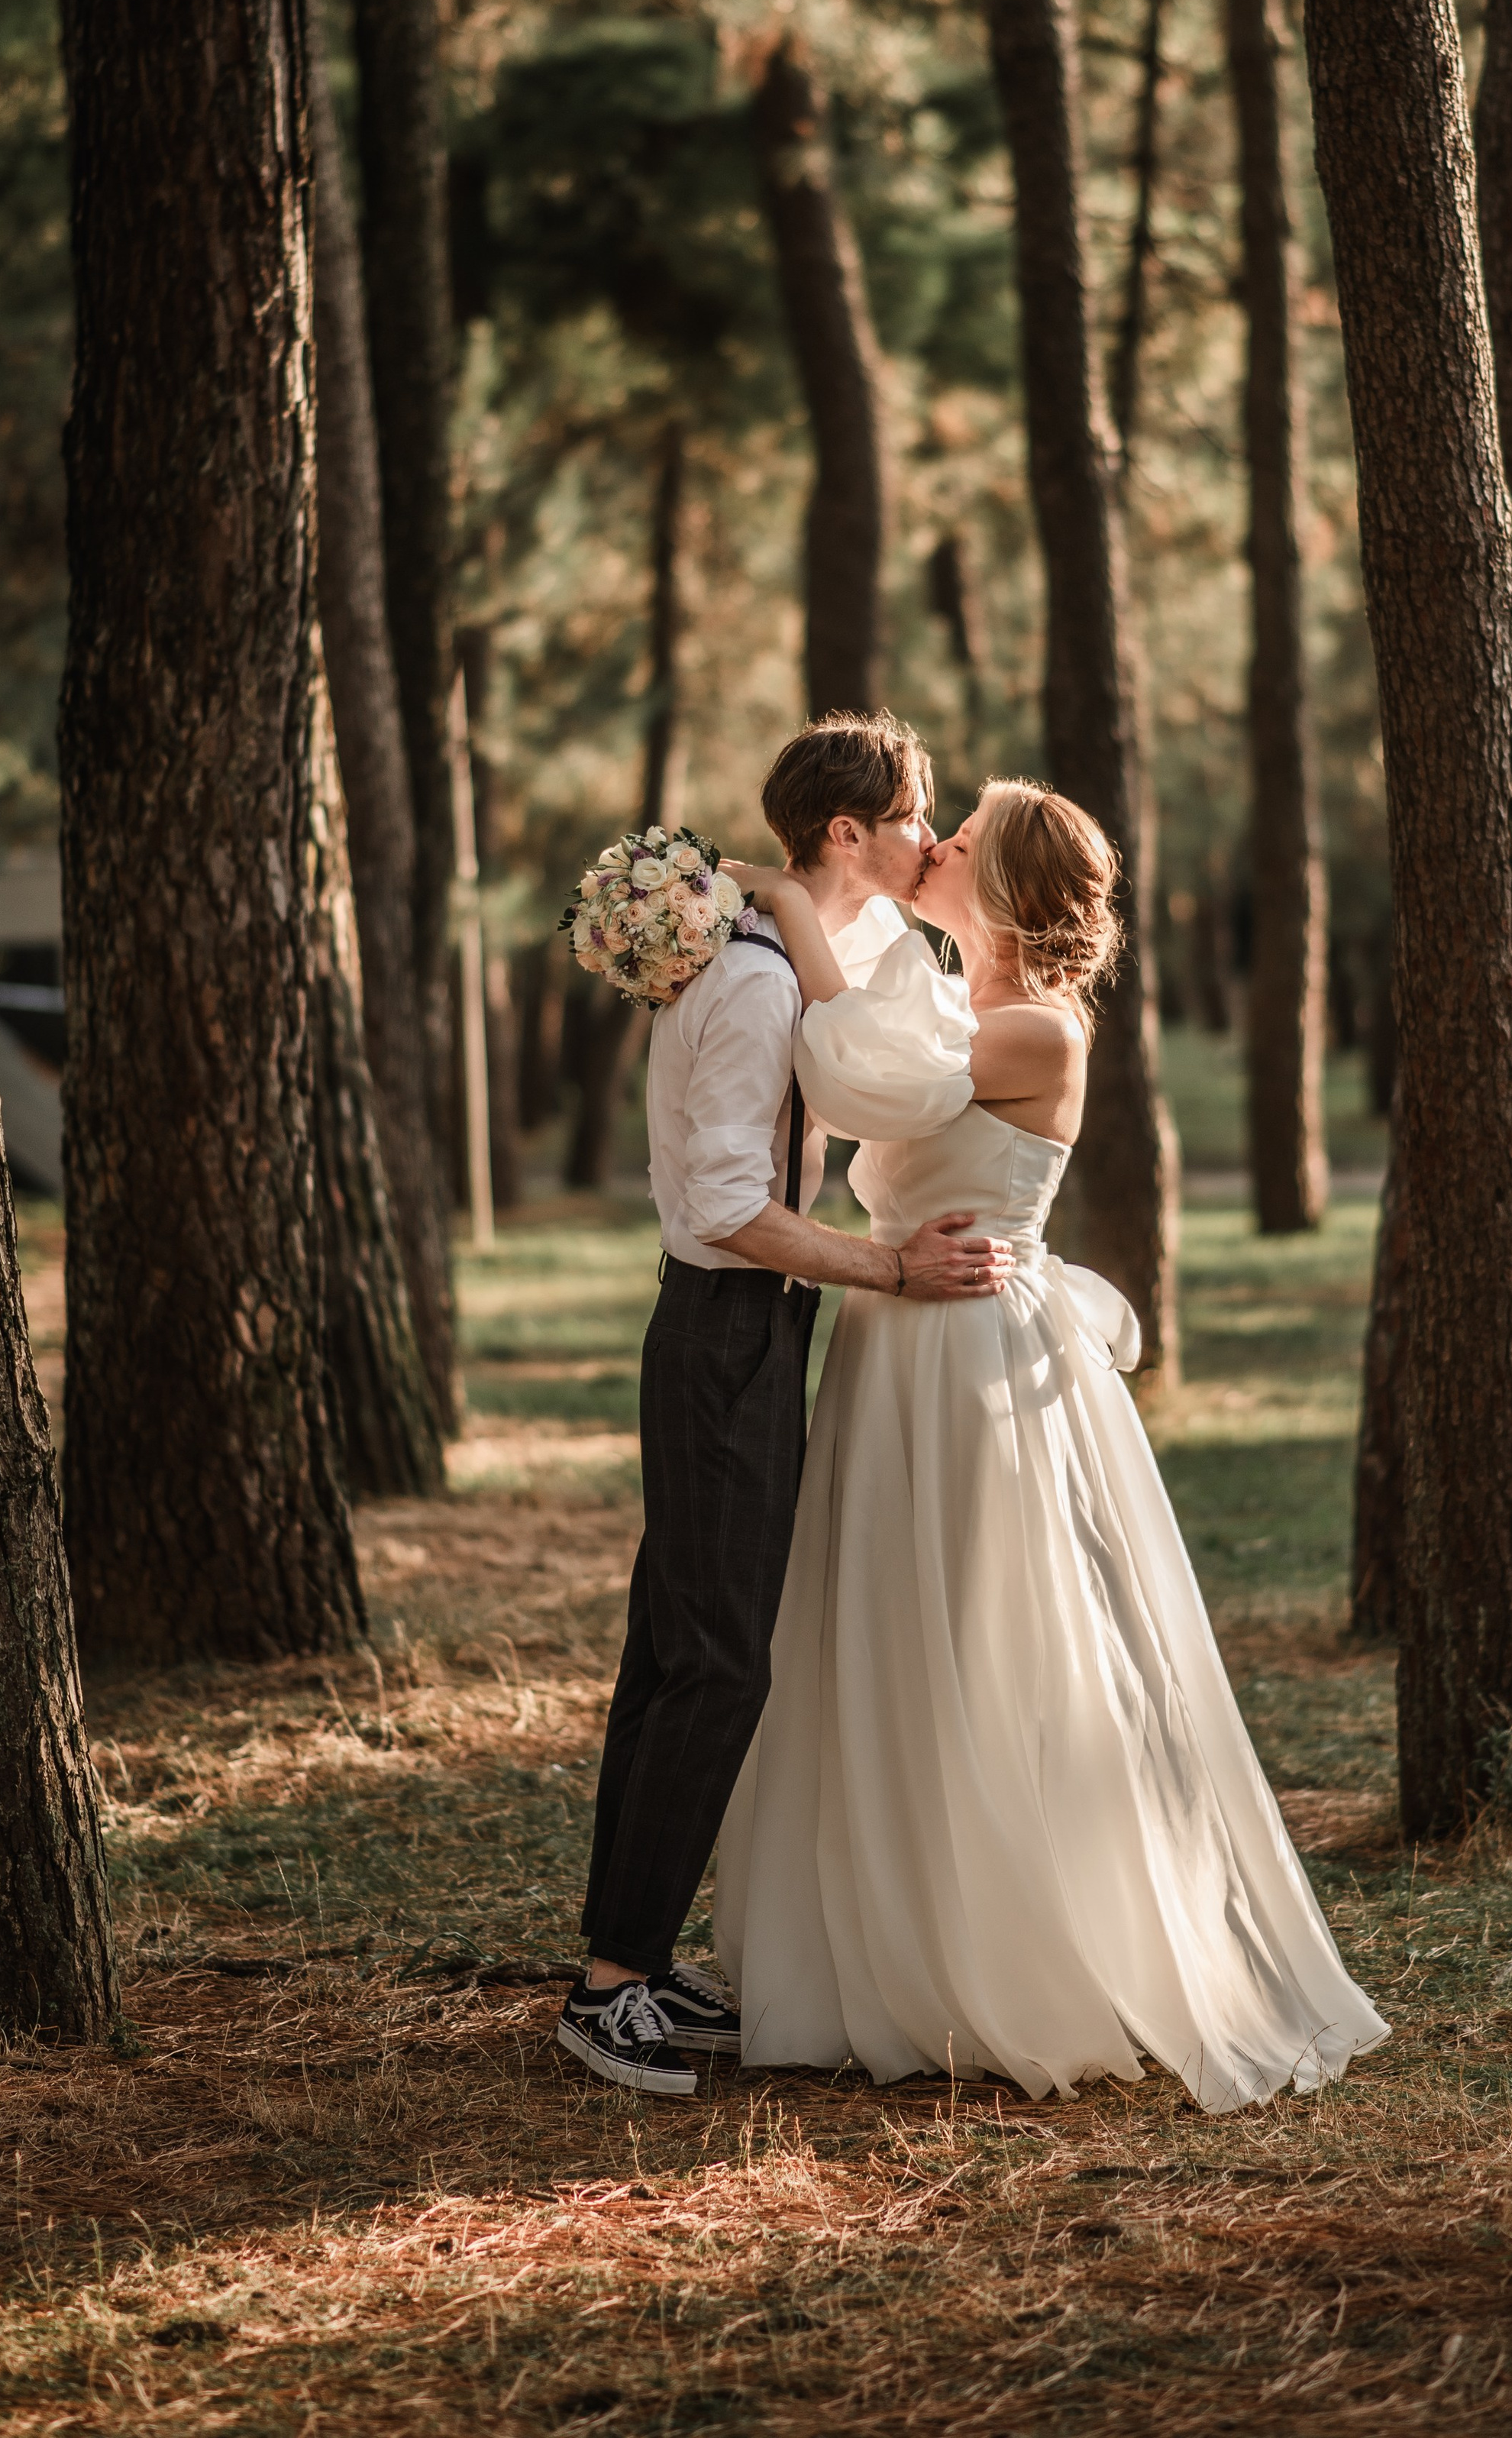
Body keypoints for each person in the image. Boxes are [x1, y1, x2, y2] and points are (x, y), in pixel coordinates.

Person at [716, 778, 1388, 2110]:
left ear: (1011, 889)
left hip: (972, 1359)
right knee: (888, 1637)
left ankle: (1007, 1964)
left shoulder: (1034, 1032)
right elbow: (858, 1069)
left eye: (960, 839)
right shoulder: (954, 1001)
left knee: (984, 1642)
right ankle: (887, 1948)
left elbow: (847, 1076)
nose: (937, 845)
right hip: (897, 1341)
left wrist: (789, 900)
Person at [557, 713, 1015, 2097]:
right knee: (718, 1661)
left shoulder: (780, 953)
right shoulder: (752, 987)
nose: (927, 836)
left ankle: (622, 1957)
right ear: (846, 833)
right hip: (723, 1331)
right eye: (912, 815)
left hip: (753, 1331)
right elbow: (726, 1209)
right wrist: (890, 1267)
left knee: (678, 1648)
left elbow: (875, 1005)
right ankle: (609, 1992)